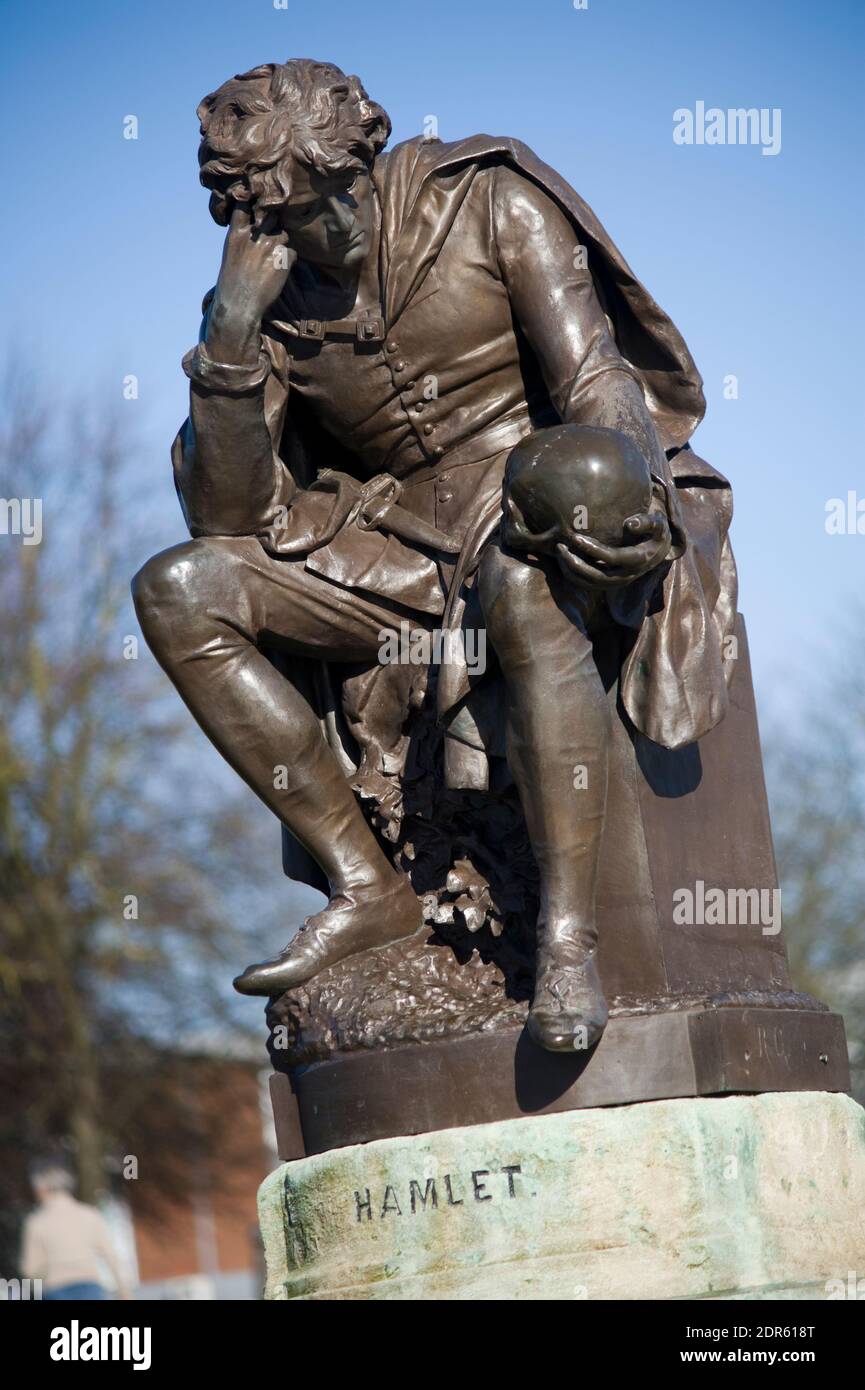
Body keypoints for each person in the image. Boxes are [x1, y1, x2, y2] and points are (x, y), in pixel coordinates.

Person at [133, 59, 736, 1051]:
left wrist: (619, 491)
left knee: (523, 584)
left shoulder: (487, 202)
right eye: (234, 202)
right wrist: (234, 337)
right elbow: (226, 516)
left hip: (543, 515)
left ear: (334, 162)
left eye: (266, 193)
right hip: (391, 554)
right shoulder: (261, 306)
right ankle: (366, 884)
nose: (252, 222)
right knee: (178, 590)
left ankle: (568, 942)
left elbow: (595, 377)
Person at [20, 1159, 130, 1301]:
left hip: (56, 1289)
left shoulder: (36, 1223)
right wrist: (124, 1293)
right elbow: (110, 1256)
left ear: (42, 1189)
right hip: (90, 1288)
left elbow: (31, 1269)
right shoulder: (90, 1215)